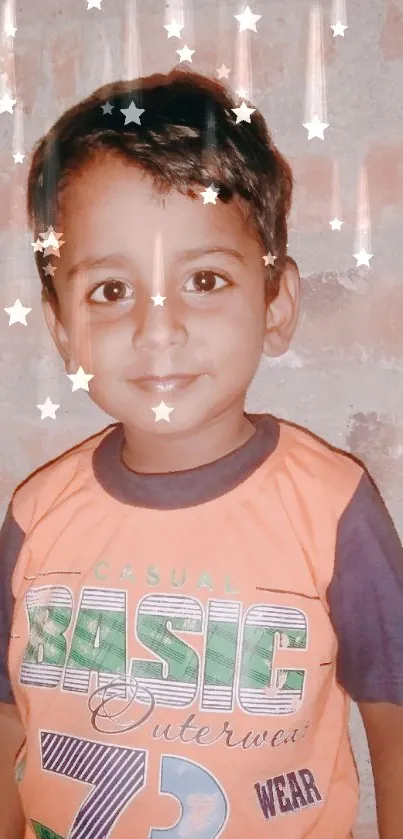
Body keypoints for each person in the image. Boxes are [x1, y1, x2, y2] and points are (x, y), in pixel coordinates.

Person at [0, 67, 402, 839]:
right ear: (60, 332)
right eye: (111, 291)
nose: (159, 329)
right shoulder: (35, 512)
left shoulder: (329, 507)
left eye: (204, 279)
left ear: (275, 304)